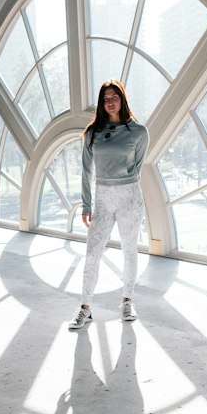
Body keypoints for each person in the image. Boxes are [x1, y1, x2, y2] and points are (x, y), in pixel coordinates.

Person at [69, 80, 148, 329]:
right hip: (102, 196)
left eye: (114, 96)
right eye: (105, 98)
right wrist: (86, 204)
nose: (110, 101)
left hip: (129, 195)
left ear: (122, 99)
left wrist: (123, 183)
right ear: (101, 104)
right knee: (92, 253)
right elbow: (85, 171)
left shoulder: (138, 132)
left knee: (129, 251)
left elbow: (137, 166)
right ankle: (85, 308)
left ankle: (127, 300)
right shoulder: (93, 133)